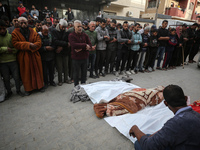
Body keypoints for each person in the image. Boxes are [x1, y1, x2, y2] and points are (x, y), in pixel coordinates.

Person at [129, 84, 200, 150]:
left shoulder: (175, 123)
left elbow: (148, 146)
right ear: (185, 98)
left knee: (139, 144)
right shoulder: (196, 115)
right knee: (147, 136)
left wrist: (135, 129)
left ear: (165, 103)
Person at [12, 17, 44, 96]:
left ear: (27, 23)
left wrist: (34, 46)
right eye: (21, 23)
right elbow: (15, 44)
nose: (23, 25)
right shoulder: (15, 33)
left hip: (34, 54)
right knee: (26, 73)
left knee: (37, 71)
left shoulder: (32, 31)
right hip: (24, 56)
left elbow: (39, 42)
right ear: (18, 23)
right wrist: (28, 45)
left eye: (25, 23)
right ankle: (28, 89)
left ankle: (39, 86)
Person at [0, 20, 24, 99]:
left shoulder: (11, 36)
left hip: (13, 60)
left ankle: (18, 90)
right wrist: (5, 49)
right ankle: (9, 92)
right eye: (0, 29)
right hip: (3, 62)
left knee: (16, 77)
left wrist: (12, 51)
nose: (2, 30)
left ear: (6, 28)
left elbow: (16, 47)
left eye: (4, 28)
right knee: (6, 78)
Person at [68, 20, 92, 86]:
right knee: (76, 74)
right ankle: (76, 88)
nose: (80, 28)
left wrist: (81, 48)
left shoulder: (85, 35)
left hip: (84, 57)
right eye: (78, 26)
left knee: (84, 74)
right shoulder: (71, 35)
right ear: (74, 27)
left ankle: (83, 87)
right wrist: (84, 46)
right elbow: (73, 45)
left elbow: (90, 44)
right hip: (76, 58)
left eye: (81, 26)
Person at [51, 19, 71, 86]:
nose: (63, 28)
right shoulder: (54, 31)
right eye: (62, 27)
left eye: (65, 27)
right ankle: (60, 80)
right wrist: (64, 44)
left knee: (66, 66)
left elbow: (69, 42)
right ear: (59, 25)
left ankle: (66, 79)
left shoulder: (66, 32)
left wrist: (62, 46)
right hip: (58, 52)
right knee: (59, 67)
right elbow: (55, 41)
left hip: (65, 51)